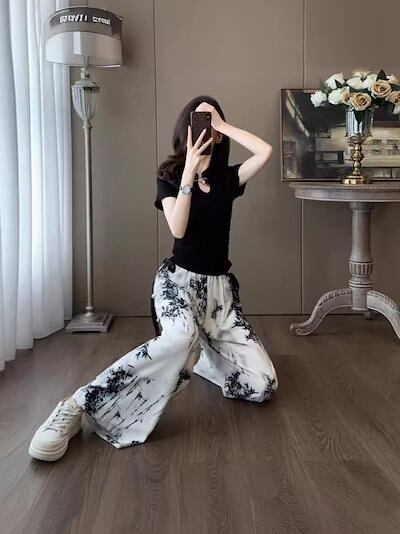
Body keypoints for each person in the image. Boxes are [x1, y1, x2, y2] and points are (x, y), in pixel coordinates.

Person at [28, 95, 278, 461]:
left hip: (219, 295)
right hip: (177, 284)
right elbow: (178, 229)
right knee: (179, 337)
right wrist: (189, 170)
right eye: (199, 122)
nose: (207, 129)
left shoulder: (227, 178)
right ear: (185, 128)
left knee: (262, 385)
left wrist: (222, 126)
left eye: (212, 123)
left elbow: (265, 151)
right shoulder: (169, 175)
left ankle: (200, 357)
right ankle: (78, 404)